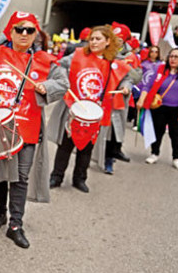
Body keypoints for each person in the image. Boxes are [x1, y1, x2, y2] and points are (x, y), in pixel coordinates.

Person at [0, 12, 68, 248]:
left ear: (36, 33)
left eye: (29, 30)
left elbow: (63, 84)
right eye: (19, 29)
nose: (24, 34)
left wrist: (46, 87)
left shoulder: (46, 60)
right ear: (10, 32)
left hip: (27, 127)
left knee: (21, 177)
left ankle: (16, 224)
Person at [47, 25, 133, 193]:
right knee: (65, 145)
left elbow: (128, 77)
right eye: (92, 39)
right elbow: (59, 65)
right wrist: (63, 79)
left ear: (108, 41)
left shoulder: (113, 62)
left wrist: (126, 87)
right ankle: (56, 176)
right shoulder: (78, 54)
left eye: (98, 39)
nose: (93, 42)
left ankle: (80, 179)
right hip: (75, 108)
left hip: (96, 111)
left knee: (86, 147)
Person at [138, 47, 178, 170]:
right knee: (158, 131)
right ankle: (154, 153)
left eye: (176, 57)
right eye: (171, 56)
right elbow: (148, 86)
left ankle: (176, 158)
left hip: (177, 109)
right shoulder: (160, 70)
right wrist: (141, 99)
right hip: (160, 107)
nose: (173, 59)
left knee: (175, 134)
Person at [94, 22, 141, 175]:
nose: (117, 41)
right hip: (101, 97)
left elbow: (136, 77)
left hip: (118, 99)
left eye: (121, 39)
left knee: (115, 130)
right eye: (115, 38)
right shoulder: (104, 53)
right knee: (99, 129)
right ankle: (95, 155)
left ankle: (110, 157)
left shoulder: (130, 56)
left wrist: (125, 69)